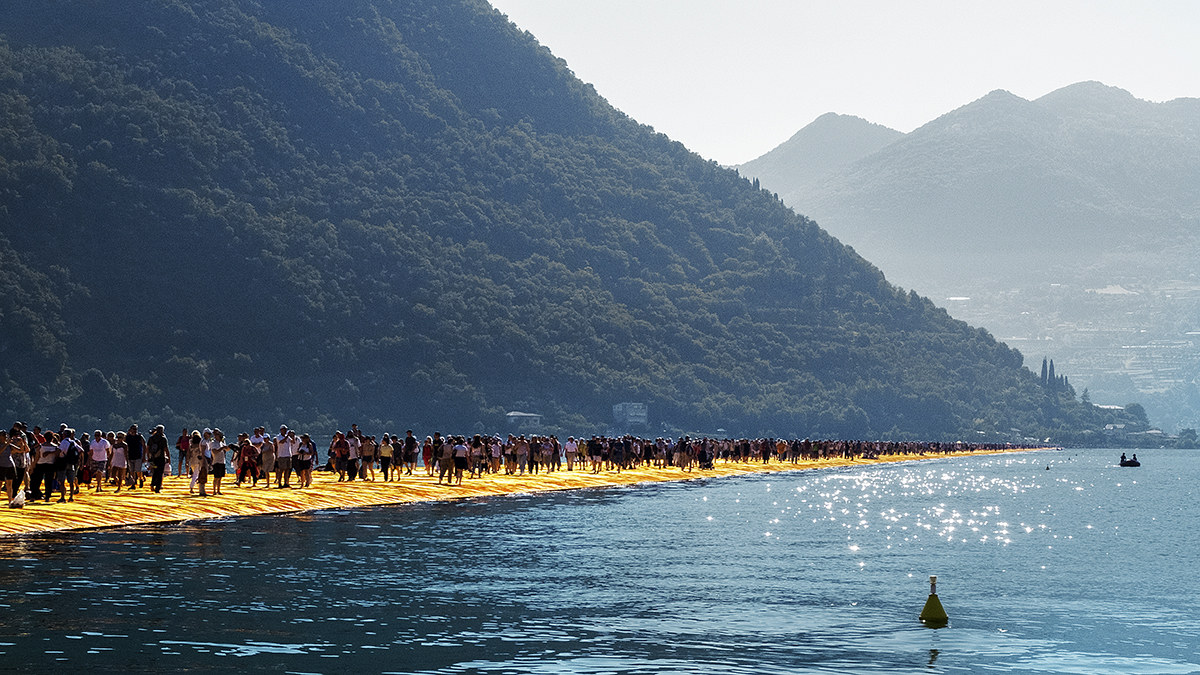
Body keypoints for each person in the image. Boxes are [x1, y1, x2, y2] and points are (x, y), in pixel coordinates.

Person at [147, 425, 170, 492]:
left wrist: (148, 457)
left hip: (153, 458)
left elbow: (147, 448)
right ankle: (157, 488)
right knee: (160, 472)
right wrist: (168, 457)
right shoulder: (163, 438)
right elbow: (166, 449)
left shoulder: (151, 438)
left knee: (155, 471)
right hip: (161, 458)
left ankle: (152, 484)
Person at [125, 424, 146, 490]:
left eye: (135, 429)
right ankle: (133, 484)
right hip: (130, 456)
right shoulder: (128, 437)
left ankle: (141, 479)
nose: (134, 430)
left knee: (138, 470)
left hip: (138, 455)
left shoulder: (139, 437)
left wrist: (144, 456)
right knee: (132, 471)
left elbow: (144, 445)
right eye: (133, 429)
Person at [210, 429, 227, 495]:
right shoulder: (213, 443)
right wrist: (222, 448)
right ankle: (214, 490)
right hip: (216, 461)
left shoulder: (222, 442)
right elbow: (214, 451)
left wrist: (229, 447)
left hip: (222, 461)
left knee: (220, 477)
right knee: (216, 477)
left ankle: (218, 490)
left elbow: (226, 450)